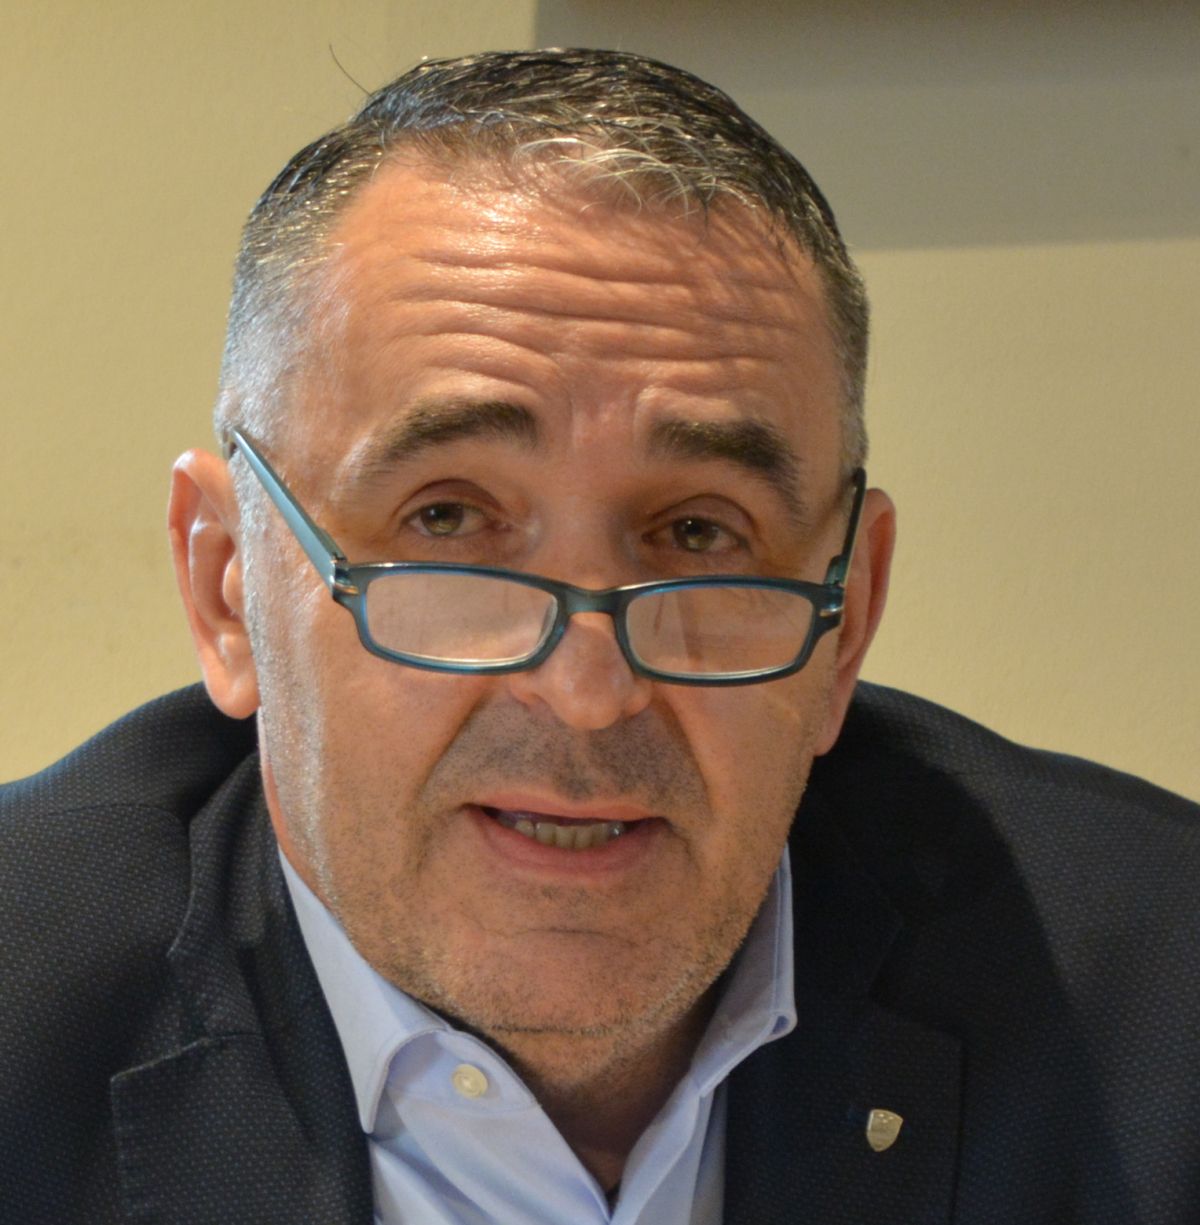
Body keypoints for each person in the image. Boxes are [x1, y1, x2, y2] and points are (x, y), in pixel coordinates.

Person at [1, 48, 1197, 1225]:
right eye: (448, 520)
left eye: (700, 531)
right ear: (227, 587)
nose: (585, 688)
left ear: (847, 622)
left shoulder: (1163, 1024)